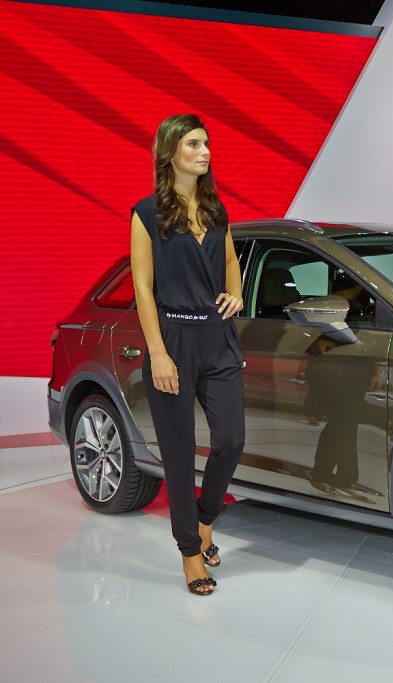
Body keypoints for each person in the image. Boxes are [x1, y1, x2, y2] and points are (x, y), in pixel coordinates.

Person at [130, 114, 245, 596]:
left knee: (231, 440)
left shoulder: (216, 210)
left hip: (218, 339)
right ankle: (190, 553)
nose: (205, 151)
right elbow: (142, 286)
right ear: (170, 151)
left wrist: (236, 293)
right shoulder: (147, 212)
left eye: (207, 143)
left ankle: (204, 520)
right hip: (173, 340)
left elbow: (231, 260)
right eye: (194, 144)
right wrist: (157, 353)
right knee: (178, 454)